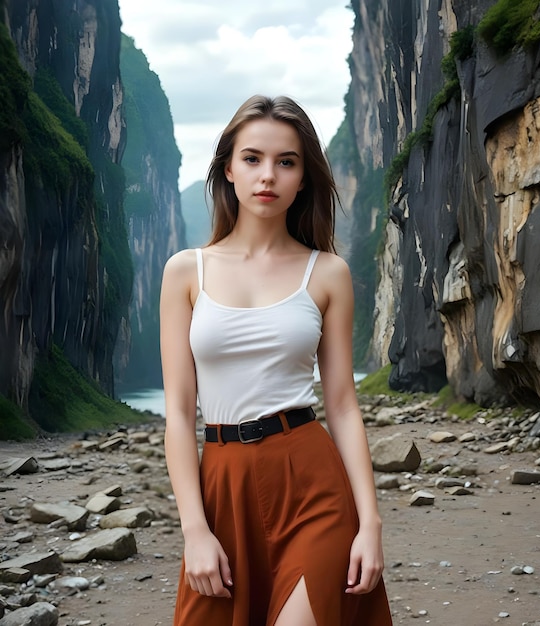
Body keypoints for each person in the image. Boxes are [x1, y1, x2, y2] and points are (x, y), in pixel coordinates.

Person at [159, 94, 392, 626]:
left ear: (304, 177)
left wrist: (370, 523)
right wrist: (194, 528)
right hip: (223, 487)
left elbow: (342, 405)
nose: (269, 176)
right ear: (228, 170)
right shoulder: (184, 272)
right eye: (253, 159)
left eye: (286, 162)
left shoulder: (328, 273)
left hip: (311, 481)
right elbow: (178, 413)